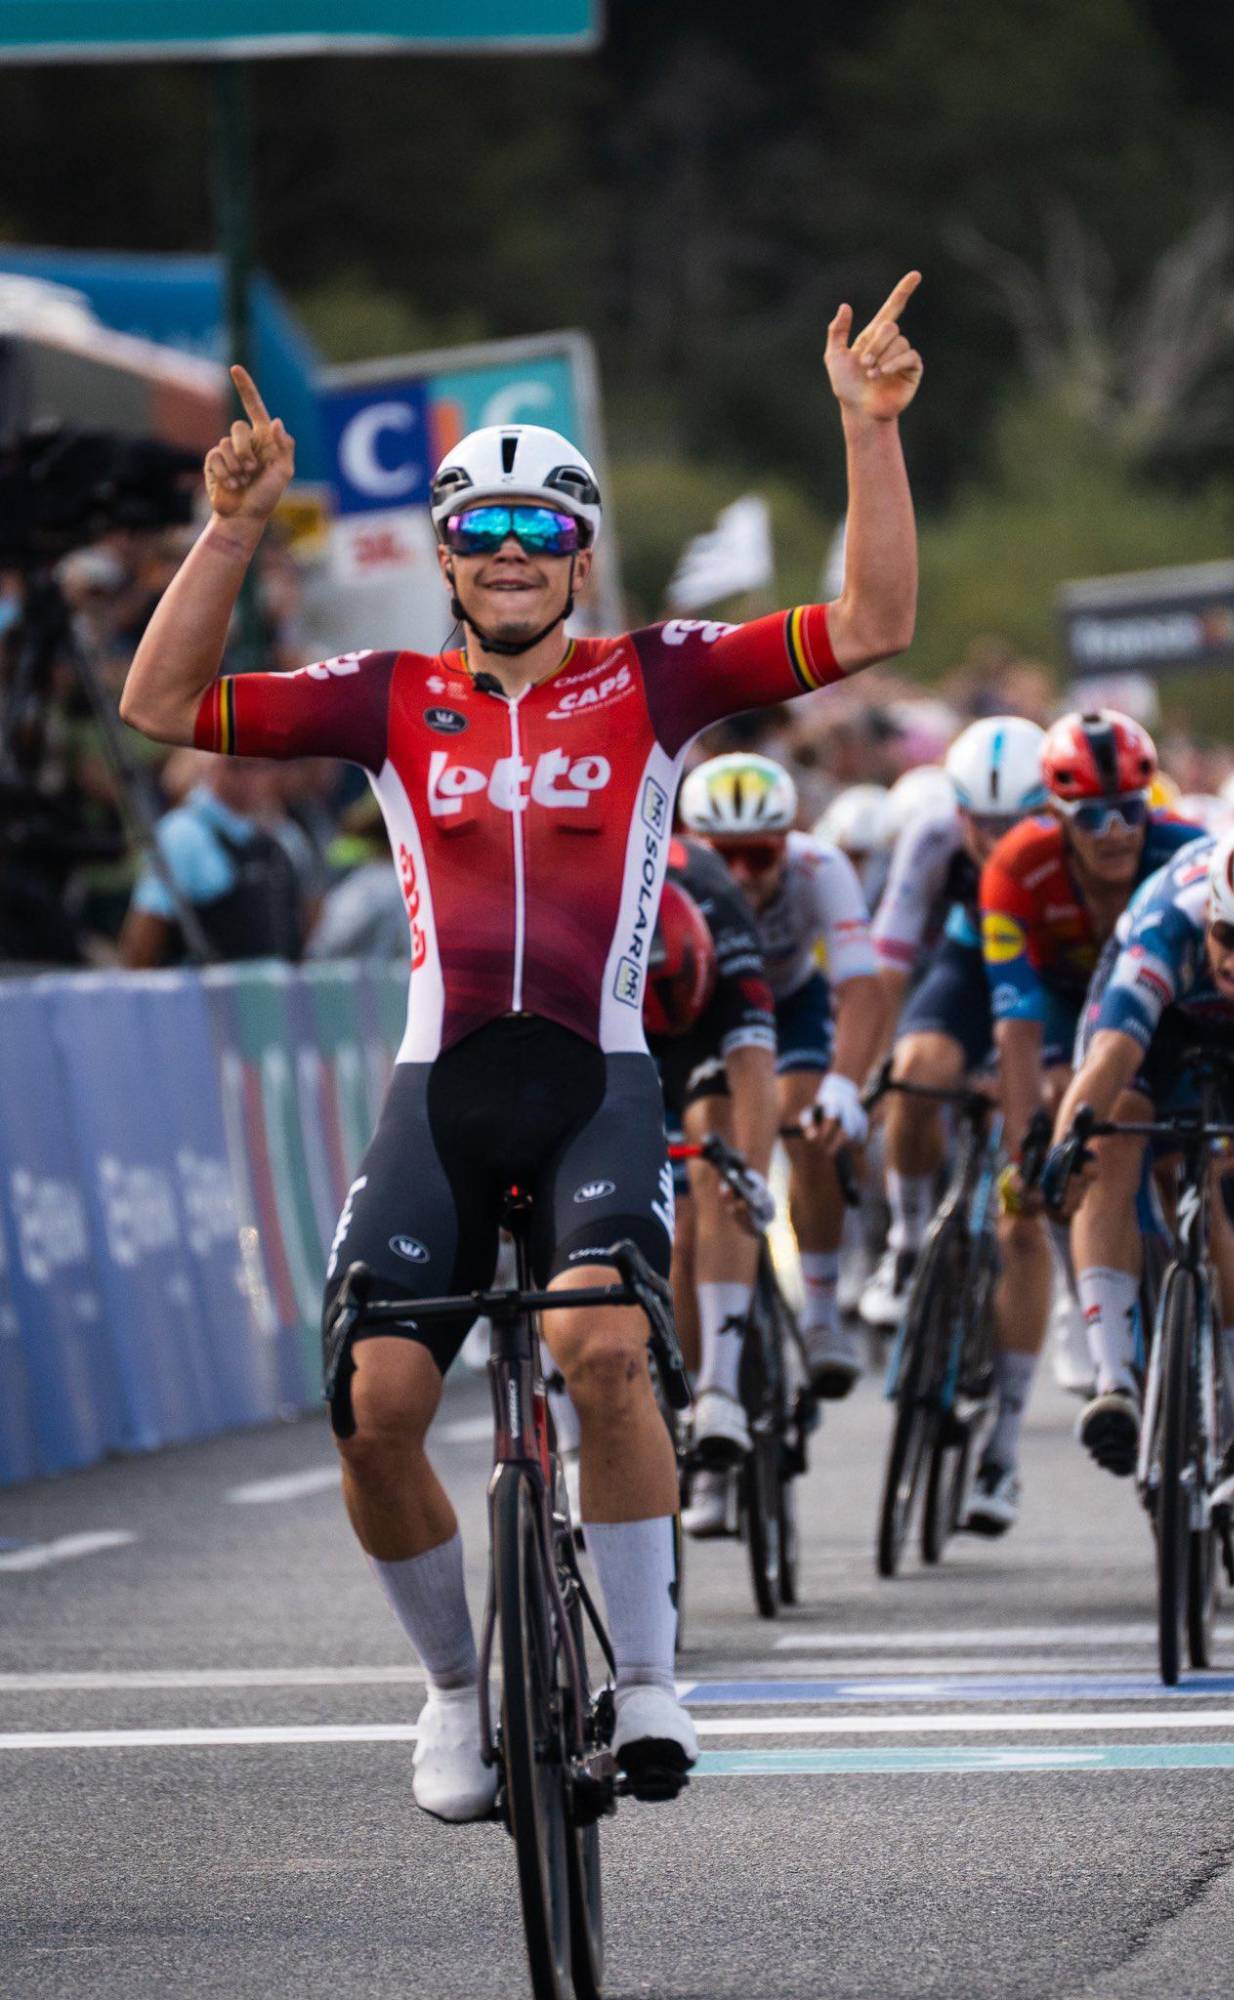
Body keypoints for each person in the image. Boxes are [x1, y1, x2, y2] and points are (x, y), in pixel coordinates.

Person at [116, 274, 922, 1821]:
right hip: (442, 1091)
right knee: (374, 1413)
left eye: (538, 530)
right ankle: (452, 1692)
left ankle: (654, 1681)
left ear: (580, 556)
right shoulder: (385, 698)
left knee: (601, 1352)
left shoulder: (657, 679)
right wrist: (230, 531)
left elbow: (874, 624)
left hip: (595, 1083)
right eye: (477, 530)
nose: (506, 552)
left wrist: (868, 430)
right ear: (441, 557)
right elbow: (160, 702)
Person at [1048, 817, 1234, 1574]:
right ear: (1210, 911)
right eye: (1231, 935)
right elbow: (1110, 1055)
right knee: (1110, 1143)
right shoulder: (1168, 925)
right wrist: (1064, 1149)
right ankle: (1113, 1379)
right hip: (1164, 1029)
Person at [978, 709, 1203, 1519]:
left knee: (1184, 1160)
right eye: (1093, 817)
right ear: (1056, 815)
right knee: (1081, 1126)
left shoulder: (1188, 853)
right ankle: (1098, 1305)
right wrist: (1025, 1155)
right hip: (1066, 1002)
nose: (1115, 833)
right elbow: (1015, 1026)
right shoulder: (1016, 865)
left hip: (1171, 1010)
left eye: (1131, 811)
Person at [679, 750, 888, 1398]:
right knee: (706, 1165)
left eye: (759, 855)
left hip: (789, 1003)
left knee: (810, 1124)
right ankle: (702, 1391)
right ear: (694, 843)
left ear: (787, 841)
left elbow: (861, 987)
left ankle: (822, 1314)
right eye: (726, 857)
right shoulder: (670, 871)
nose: (742, 874)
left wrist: (844, 1087)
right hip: (703, 1012)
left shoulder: (819, 866)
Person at [860, 715, 1048, 1339]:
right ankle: (908, 1238)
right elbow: (889, 962)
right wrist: (877, 1070)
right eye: (982, 823)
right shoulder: (933, 836)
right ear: (958, 810)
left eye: (1014, 823)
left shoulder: (1068, 841)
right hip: (971, 961)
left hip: (1053, 968)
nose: (996, 840)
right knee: (917, 1072)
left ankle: (1074, 1291)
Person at [647, 844, 780, 1538]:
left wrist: (750, 1176)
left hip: (704, 1041)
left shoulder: (723, 914)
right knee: (669, 1237)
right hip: (615, 1027)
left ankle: (720, 1388)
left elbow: (753, 1065)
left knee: (716, 1158)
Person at [117, 752, 308, 966]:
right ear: (210, 765)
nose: (253, 775)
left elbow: (307, 914)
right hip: (205, 984)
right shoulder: (181, 834)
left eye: (263, 765)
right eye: (238, 765)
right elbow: (142, 938)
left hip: (278, 983)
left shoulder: (284, 832)